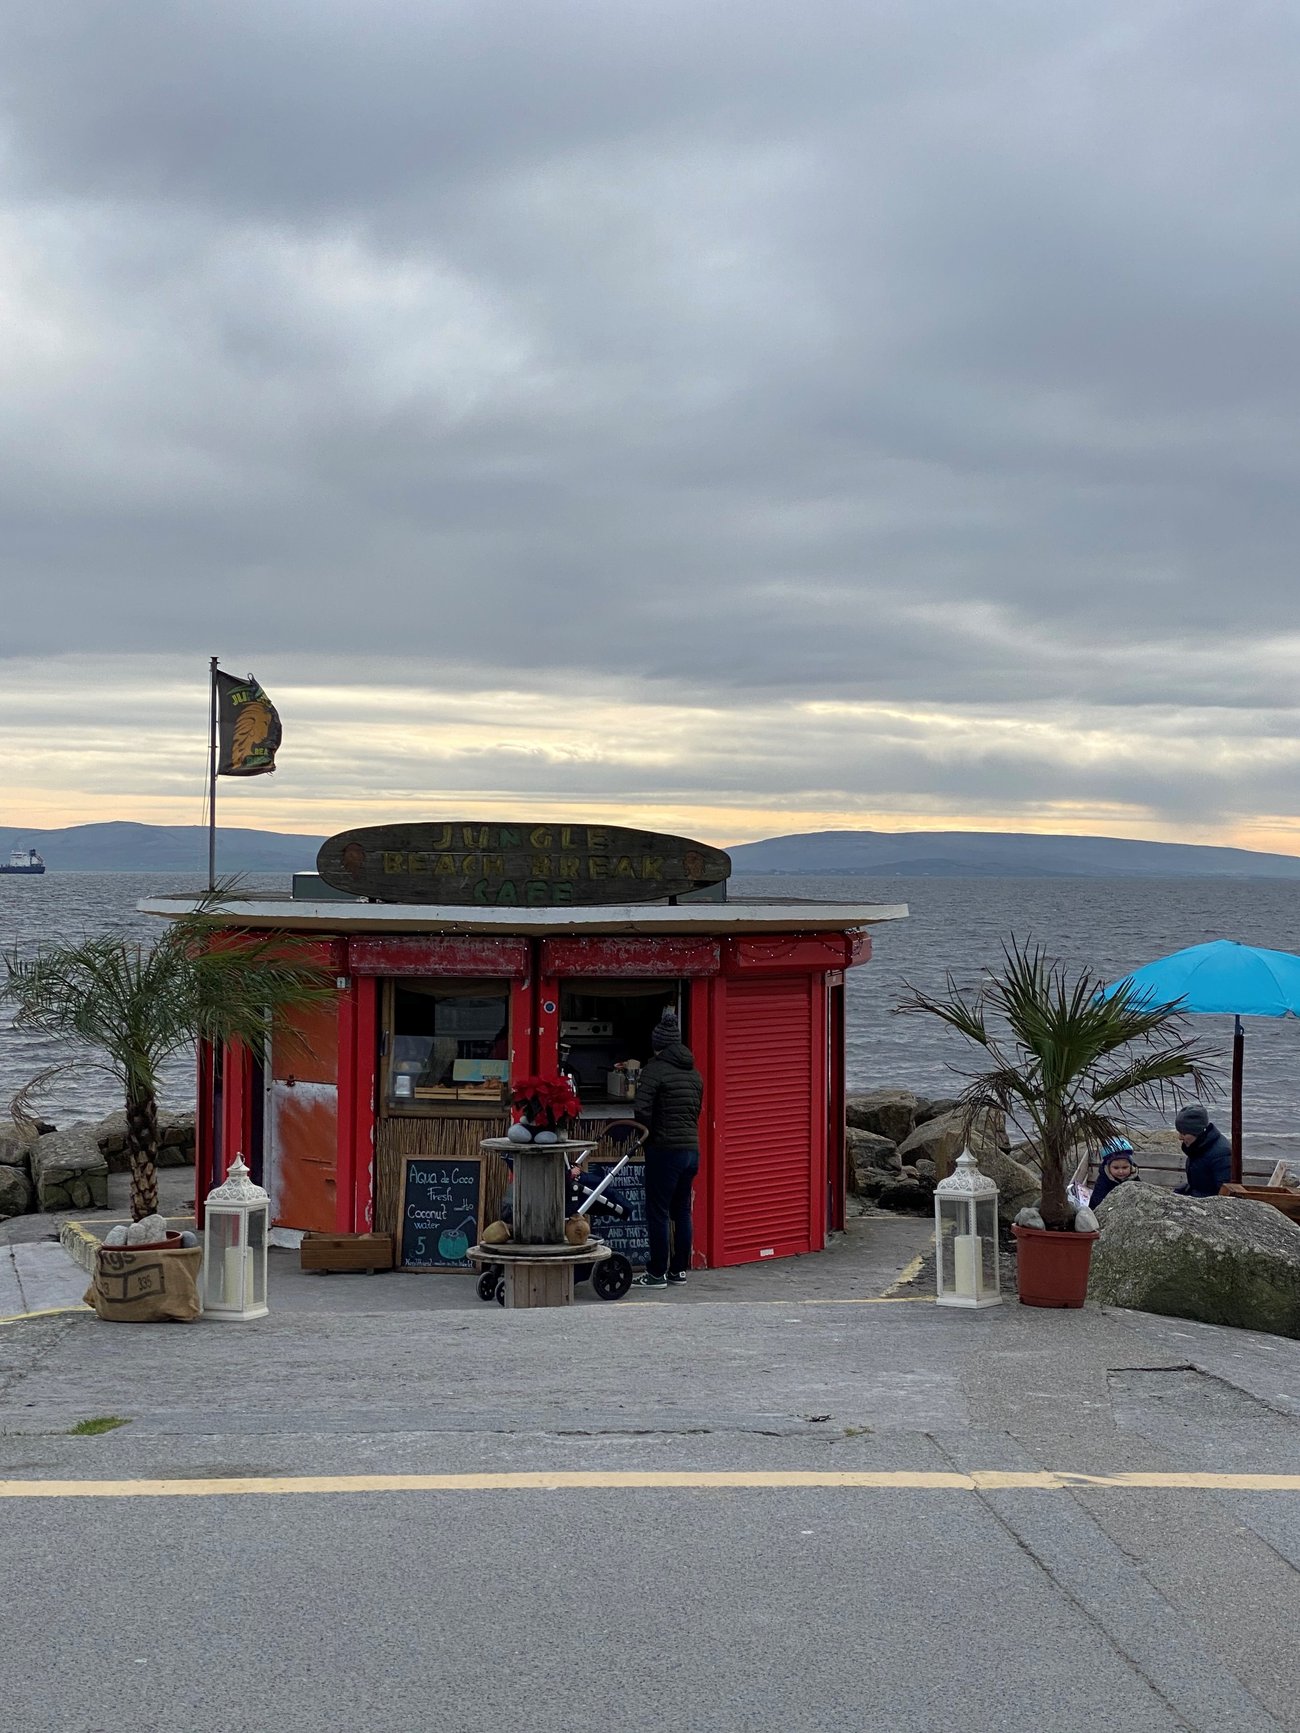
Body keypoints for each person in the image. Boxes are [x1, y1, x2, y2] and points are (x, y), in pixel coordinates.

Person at [633, 1008, 703, 1290]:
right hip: (690, 1150)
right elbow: (695, 1110)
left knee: (658, 1211)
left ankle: (656, 1272)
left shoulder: (654, 1070)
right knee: (682, 1211)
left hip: (664, 1150)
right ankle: (678, 1270)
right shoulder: (694, 1074)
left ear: (657, 1045)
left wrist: (650, 1135)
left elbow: (641, 1109)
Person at [1173, 1103, 1232, 1197]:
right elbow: (1202, 1183)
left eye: (1183, 1133)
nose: (1180, 1137)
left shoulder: (1222, 1153)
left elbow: (1224, 1193)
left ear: (1196, 1132)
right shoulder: (1198, 1147)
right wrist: (1187, 1189)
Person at [1088, 1137, 1140, 1210]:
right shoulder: (1103, 1180)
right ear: (1108, 1167)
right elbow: (1096, 1201)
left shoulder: (1134, 1177)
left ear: (1130, 1166)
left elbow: (1139, 1194)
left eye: (1125, 1167)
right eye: (1116, 1168)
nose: (1121, 1171)